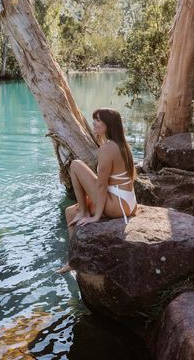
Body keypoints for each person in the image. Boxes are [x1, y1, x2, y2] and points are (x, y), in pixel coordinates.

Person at [58, 108, 137, 274]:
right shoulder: (122, 145)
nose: (94, 123)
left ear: (108, 125)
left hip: (117, 205)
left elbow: (101, 185)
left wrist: (97, 216)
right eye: (94, 119)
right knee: (70, 212)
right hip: (127, 202)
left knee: (75, 165)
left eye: (98, 121)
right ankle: (74, 259)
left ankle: (85, 213)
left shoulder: (107, 148)